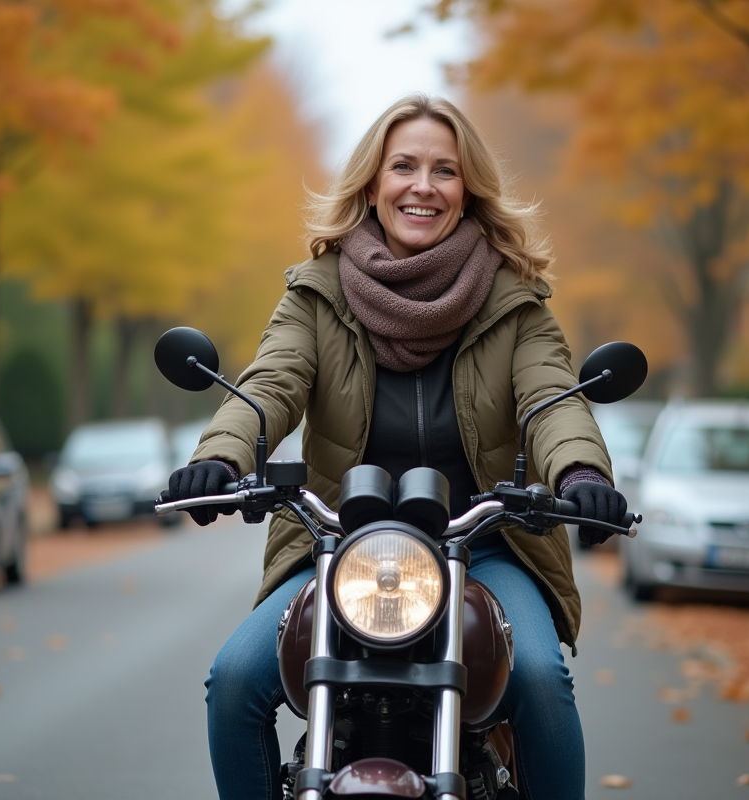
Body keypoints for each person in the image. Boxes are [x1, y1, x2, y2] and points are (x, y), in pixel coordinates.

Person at [165, 94, 628, 800]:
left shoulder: (516, 302)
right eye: (404, 166)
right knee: (234, 681)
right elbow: (270, 383)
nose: (423, 185)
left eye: (444, 170)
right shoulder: (315, 295)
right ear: (373, 184)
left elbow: (548, 400)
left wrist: (581, 471)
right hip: (342, 551)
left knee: (538, 676)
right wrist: (222, 456)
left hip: (487, 547)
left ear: (467, 189)